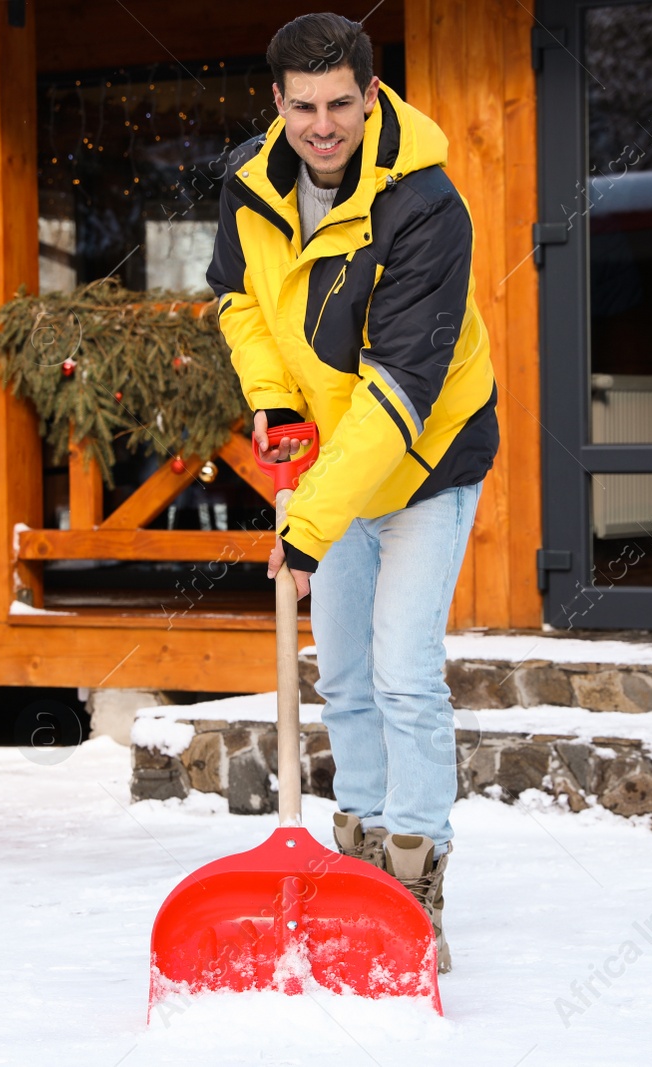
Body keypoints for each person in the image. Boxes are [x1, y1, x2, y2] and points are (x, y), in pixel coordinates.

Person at [205, 12, 499, 973]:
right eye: (303, 106)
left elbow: (397, 391)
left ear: (371, 97)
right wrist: (274, 399)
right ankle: (359, 861)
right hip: (328, 455)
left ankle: (415, 881)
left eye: (340, 103)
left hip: (423, 454)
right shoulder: (250, 181)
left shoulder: (427, 206)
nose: (321, 125)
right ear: (277, 102)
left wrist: (308, 531)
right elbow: (240, 300)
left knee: (404, 672)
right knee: (343, 681)